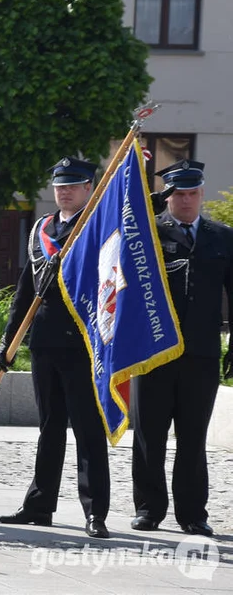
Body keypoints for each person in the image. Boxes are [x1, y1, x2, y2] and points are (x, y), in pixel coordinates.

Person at [0, 157, 111, 539]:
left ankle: (95, 512)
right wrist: (8, 341)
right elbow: (24, 292)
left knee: (88, 429)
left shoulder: (98, 229)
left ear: (89, 188)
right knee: (49, 428)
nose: (64, 191)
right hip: (44, 343)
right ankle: (39, 505)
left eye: (73, 185)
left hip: (83, 342)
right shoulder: (41, 230)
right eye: (60, 185)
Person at [131, 159, 233, 537]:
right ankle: (148, 508)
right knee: (149, 435)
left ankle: (193, 513)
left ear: (202, 194)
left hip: (201, 352)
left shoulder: (222, 237)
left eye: (192, 193)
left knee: (193, 437)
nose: (186, 200)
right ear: (168, 197)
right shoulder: (147, 235)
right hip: (153, 351)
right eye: (178, 194)